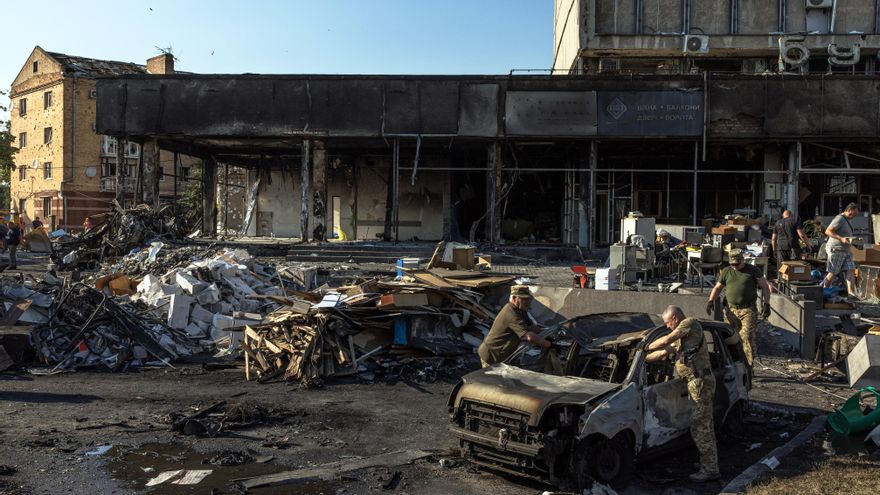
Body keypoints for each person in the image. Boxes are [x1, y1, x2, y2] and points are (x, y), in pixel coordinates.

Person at [645, 305, 720, 482]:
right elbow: (663, 351)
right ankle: (708, 463)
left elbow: (665, 341)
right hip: (695, 382)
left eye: (667, 323)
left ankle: (710, 470)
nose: (667, 326)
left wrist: (645, 346)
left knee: (701, 427)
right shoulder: (683, 337)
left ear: (675, 318)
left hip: (700, 382)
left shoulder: (689, 323)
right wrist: (643, 357)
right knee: (703, 425)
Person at [706, 249, 772, 369]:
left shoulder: (753, 270)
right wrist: (710, 301)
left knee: (746, 337)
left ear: (743, 260)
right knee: (731, 337)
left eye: (737, 264)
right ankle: (733, 363)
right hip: (731, 310)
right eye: (732, 264)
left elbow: (765, 286)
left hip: (748, 309)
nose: (735, 267)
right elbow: (717, 288)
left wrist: (766, 304)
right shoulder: (727, 271)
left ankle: (748, 366)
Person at [478, 285, 553, 367]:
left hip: (504, 353)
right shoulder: (511, 313)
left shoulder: (520, 309)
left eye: (528, 299)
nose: (527, 302)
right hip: (492, 355)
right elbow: (529, 337)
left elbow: (532, 327)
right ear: (514, 298)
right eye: (523, 299)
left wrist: (548, 335)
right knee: (495, 375)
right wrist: (549, 344)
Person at [822, 203, 859, 298]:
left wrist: (854, 243)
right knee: (833, 271)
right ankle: (823, 290)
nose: (855, 216)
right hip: (836, 249)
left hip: (845, 250)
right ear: (849, 210)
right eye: (854, 213)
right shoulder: (840, 219)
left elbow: (846, 235)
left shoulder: (848, 220)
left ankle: (851, 293)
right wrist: (841, 238)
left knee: (850, 269)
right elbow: (828, 231)